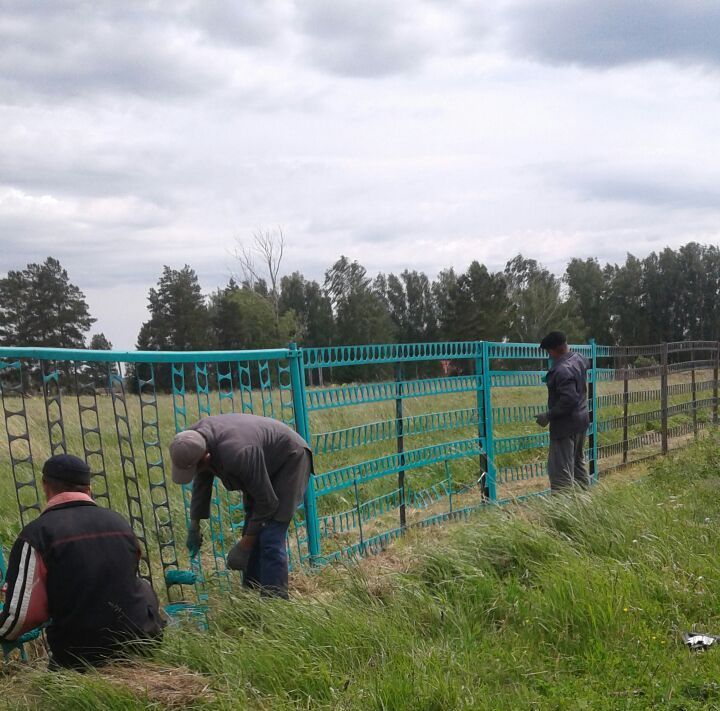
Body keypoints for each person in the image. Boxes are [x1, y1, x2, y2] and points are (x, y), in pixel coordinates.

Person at [0, 455, 164, 669]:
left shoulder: (36, 535)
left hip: (82, 658)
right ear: (88, 488)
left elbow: (22, 617)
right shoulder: (119, 522)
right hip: (143, 642)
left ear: (45, 486)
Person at [169, 413, 312, 599]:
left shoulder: (238, 453)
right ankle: (251, 595)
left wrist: (244, 546)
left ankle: (275, 603)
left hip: (289, 459)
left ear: (206, 457)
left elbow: (267, 502)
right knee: (252, 527)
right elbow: (202, 481)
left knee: (270, 534)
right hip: (262, 461)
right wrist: (194, 525)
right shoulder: (193, 440)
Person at [535, 331, 591, 491]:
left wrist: (548, 415)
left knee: (560, 471)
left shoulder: (561, 370)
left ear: (554, 350)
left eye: (548, 352)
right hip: (581, 421)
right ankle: (586, 504)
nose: (549, 356)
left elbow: (569, 399)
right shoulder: (579, 359)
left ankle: (564, 510)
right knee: (577, 465)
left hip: (565, 426)